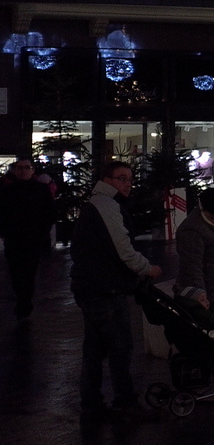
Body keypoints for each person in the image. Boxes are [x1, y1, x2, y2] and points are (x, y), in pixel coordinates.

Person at [71, 160, 161, 421]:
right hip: (105, 288)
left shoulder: (98, 204)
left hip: (91, 286)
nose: (128, 184)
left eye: (130, 179)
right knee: (120, 346)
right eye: (122, 178)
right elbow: (123, 249)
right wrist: (147, 268)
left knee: (95, 348)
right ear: (107, 180)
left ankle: (91, 403)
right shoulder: (106, 205)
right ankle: (125, 402)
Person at [175, 187, 214, 327]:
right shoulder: (191, 229)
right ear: (203, 208)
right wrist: (200, 298)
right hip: (207, 292)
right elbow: (192, 267)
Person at [1, 160, 55, 319]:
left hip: (32, 239)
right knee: (16, 272)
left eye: (26, 168)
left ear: (32, 170)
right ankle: (22, 300)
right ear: (15, 171)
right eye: (20, 168)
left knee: (28, 272)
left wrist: (41, 233)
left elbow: (49, 213)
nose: (23, 171)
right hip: (14, 239)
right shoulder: (7, 191)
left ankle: (24, 301)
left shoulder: (40, 190)